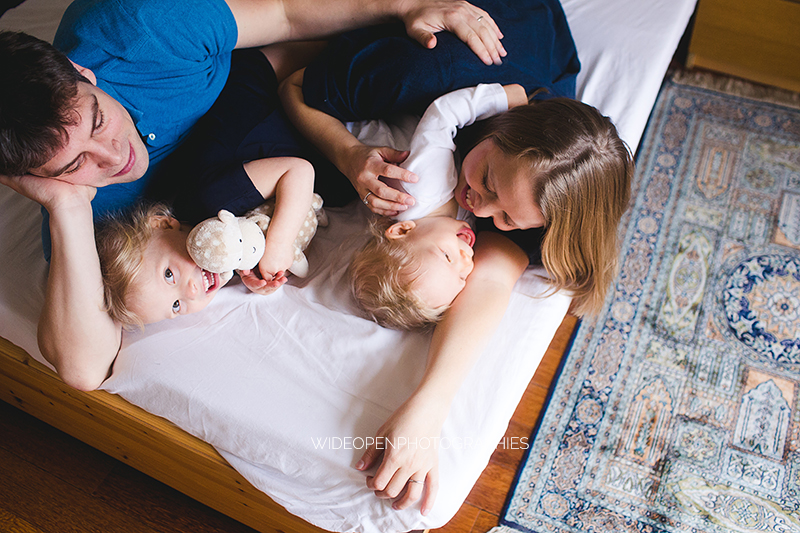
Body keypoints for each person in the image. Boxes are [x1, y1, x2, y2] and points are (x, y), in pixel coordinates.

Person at [0, 0, 506, 391]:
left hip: (261, 63)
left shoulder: (143, 28)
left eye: (98, 121)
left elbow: (285, 15)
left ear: (83, 75)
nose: (113, 159)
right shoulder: (90, 210)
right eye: (74, 165)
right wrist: (64, 204)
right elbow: (84, 369)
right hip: (265, 109)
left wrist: (402, 7)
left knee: (431, 56)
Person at [276, 0, 633, 515]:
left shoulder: (555, 179)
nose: (477, 211)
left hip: (543, 50)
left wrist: (428, 408)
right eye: (485, 180)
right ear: (502, 125)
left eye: (507, 219)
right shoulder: (425, 74)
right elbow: (293, 85)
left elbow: (491, 279)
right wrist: (349, 155)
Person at [343, 83, 522, 328]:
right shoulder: (453, 226)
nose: (466, 259)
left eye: (447, 256)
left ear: (402, 230)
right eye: (461, 277)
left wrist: (503, 97)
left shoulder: (420, 187)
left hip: (358, 113)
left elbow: (442, 115)